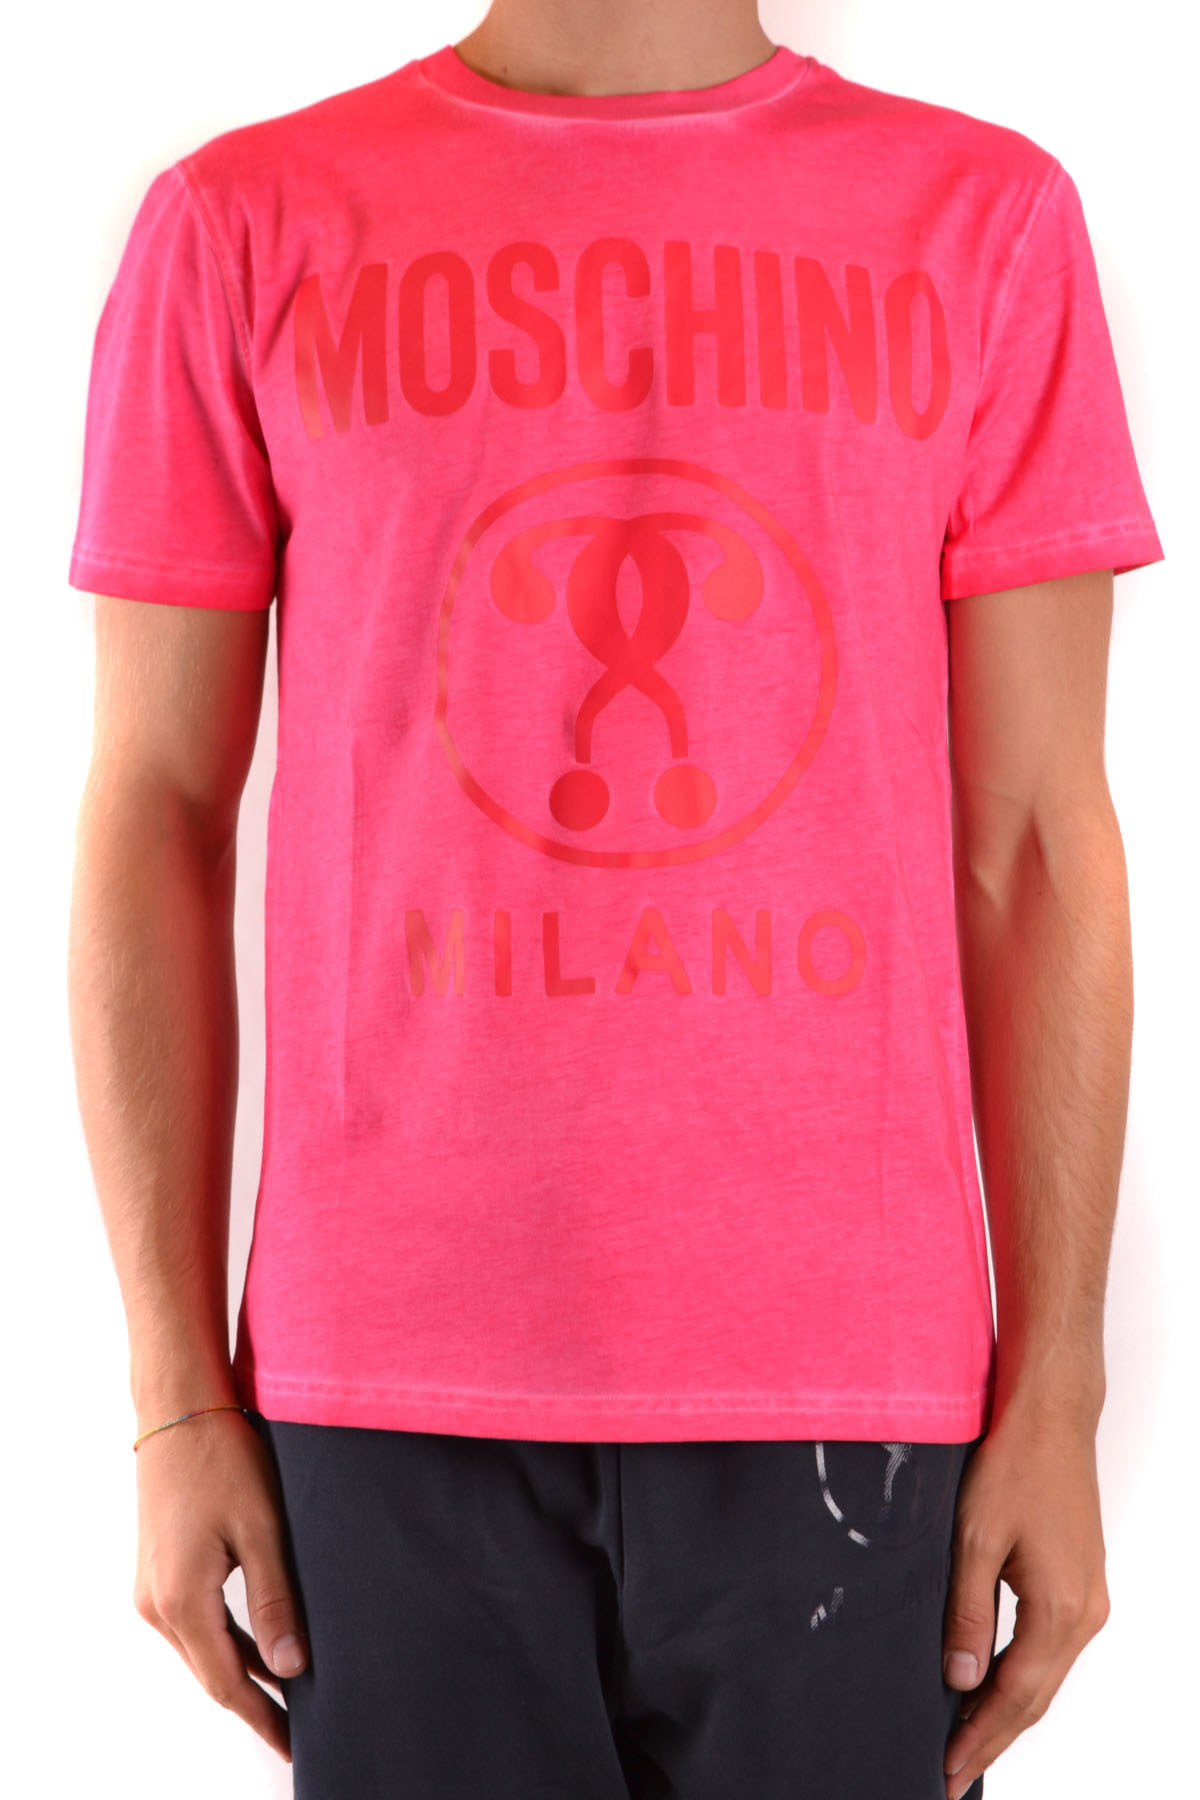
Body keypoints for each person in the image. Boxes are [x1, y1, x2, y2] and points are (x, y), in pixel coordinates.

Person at [65, 2, 1164, 1796]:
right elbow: (156, 816)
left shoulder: (985, 219)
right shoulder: (242, 222)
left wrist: (1060, 1391)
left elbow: (1040, 842)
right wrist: (176, 1393)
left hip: (854, 1390)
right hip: (382, 1384)